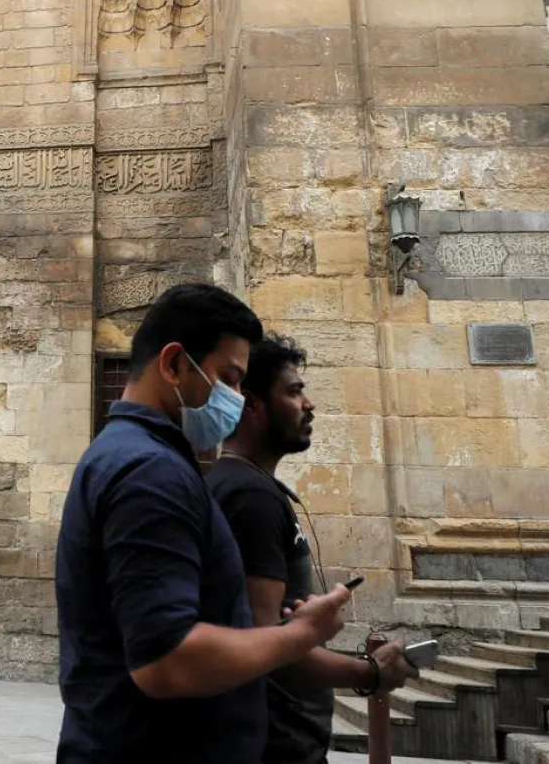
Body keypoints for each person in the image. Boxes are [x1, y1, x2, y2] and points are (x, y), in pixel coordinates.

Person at [54, 285, 355, 764]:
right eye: (229, 379)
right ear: (174, 365)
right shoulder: (148, 472)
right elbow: (166, 662)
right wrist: (302, 634)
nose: (237, 399)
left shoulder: (144, 457)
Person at [207, 336, 418, 764]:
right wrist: (369, 672)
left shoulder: (244, 486)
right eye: (293, 391)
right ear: (251, 405)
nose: (309, 404)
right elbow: (263, 646)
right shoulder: (250, 498)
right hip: (275, 743)